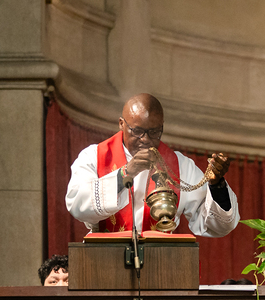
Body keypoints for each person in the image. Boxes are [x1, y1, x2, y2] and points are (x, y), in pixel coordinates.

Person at [65, 93, 239, 236]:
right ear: (121, 124)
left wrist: (216, 185)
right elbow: (77, 204)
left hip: (160, 258)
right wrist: (125, 173)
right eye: (138, 131)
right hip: (104, 256)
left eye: (154, 132)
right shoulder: (94, 156)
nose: (146, 139)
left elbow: (216, 225)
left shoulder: (180, 165)